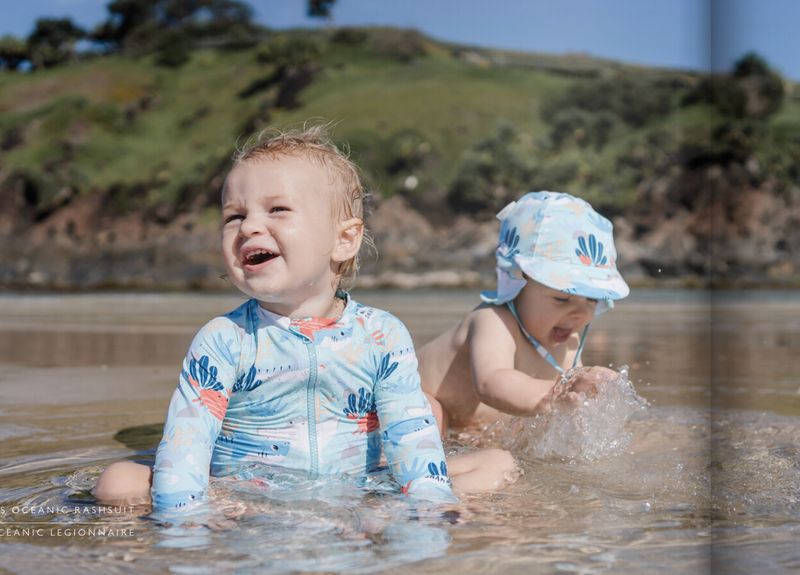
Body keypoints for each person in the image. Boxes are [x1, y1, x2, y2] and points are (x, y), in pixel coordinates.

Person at [93, 126, 515, 510]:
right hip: (243, 494)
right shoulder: (225, 338)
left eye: (277, 209)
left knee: (497, 463)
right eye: (235, 216)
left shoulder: (381, 334)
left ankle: (384, 514)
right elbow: (187, 442)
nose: (249, 227)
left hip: (359, 488)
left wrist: (426, 509)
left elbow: (409, 435)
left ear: (344, 239)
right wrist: (187, 520)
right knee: (118, 481)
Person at [419, 191, 630, 434]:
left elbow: (566, 405)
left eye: (592, 299)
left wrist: (587, 389)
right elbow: (491, 382)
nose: (579, 313)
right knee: (430, 413)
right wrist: (558, 394)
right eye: (562, 298)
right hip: (406, 403)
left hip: (467, 429)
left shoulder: (569, 344)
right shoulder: (493, 321)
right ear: (519, 279)